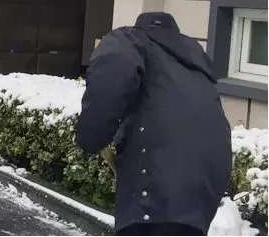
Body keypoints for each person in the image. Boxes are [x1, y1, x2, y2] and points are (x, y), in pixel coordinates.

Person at [76, 12, 232, 236]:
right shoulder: (193, 61)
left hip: (157, 180)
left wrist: (91, 136)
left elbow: (108, 86)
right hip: (207, 179)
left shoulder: (129, 39)